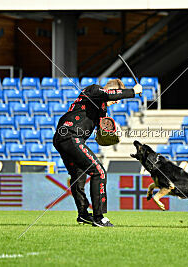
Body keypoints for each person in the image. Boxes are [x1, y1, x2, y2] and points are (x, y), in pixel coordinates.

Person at [53, 79, 142, 227]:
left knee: (78, 176)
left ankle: (83, 214)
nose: (116, 102)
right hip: (70, 136)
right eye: (117, 99)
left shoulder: (101, 110)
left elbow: (101, 132)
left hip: (62, 138)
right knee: (99, 172)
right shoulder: (94, 89)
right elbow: (108, 95)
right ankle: (99, 217)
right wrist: (133, 91)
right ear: (112, 90)